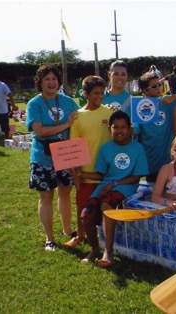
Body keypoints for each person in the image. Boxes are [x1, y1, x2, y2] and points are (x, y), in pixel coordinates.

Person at [77, 110, 149, 265]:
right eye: (115, 127)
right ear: (109, 128)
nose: (119, 131)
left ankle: (107, 253)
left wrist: (114, 184)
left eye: (123, 127)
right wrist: (82, 174)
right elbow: (101, 174)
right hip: (105, 186)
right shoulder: (105, 148)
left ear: (130, 129)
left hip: (126, 186)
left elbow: (137, 177)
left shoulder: (137, 148)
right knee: (85, 215)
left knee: (106, 204)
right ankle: (95, 249)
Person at [26, 64, 80, 251]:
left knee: (66, 193)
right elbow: (39, 130)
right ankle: (50, 238)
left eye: (54, 79)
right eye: (47, 79)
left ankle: (68, 230)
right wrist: (65, 125)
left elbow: (81, 121)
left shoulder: (68, 101)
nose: (51, 82)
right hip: (43, 156)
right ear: (39, 82)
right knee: (46, 197)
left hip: (67, 153)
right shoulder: (34, 103)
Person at [63, 76, 113, 249]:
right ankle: (80, 235)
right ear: (85, 94)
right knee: (82, 205)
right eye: (95, 93)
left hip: (107, 173)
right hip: (85, 173)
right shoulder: (77, 117)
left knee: (105, 207)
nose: (99, 96)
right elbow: (74, 147)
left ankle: (106, 238)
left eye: (102, 92)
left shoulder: (110, 113)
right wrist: (77, 176)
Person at [137, 72, 176, 183]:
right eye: (154, 86)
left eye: (159, 84)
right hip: (151, 158)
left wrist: (175, 96)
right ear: (145, 91)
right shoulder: (139, 106)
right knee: (153, 191)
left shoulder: (169, 101)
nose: (159, 87)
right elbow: (136, 129)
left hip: (169, 159)